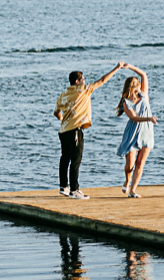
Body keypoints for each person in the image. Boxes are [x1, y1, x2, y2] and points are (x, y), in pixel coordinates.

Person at [54, 64, 124, 199]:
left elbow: (56, 112)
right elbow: (102, 80)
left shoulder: (64, 95)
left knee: (65, 158)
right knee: (76, 159)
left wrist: (64, 120)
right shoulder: (84, 90)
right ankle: (74, 190)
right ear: (77, 81)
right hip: (75, 130)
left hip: (63, 131)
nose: (85, 81)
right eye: (83, 79)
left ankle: (64, 187)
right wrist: (117, 68)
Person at [115, 63, 157, 198]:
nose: (138, 82)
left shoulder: (144, 94)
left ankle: (133, 190)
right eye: (135, 82)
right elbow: (133, 117)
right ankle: (127, 180)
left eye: (138, 81)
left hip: (147, 132)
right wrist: (149, 118)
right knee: (130, 165)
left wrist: (130, 66)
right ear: (130, 86)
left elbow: (144, 74)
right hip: (133, 132)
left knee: (140, 163)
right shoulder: (126, 102)